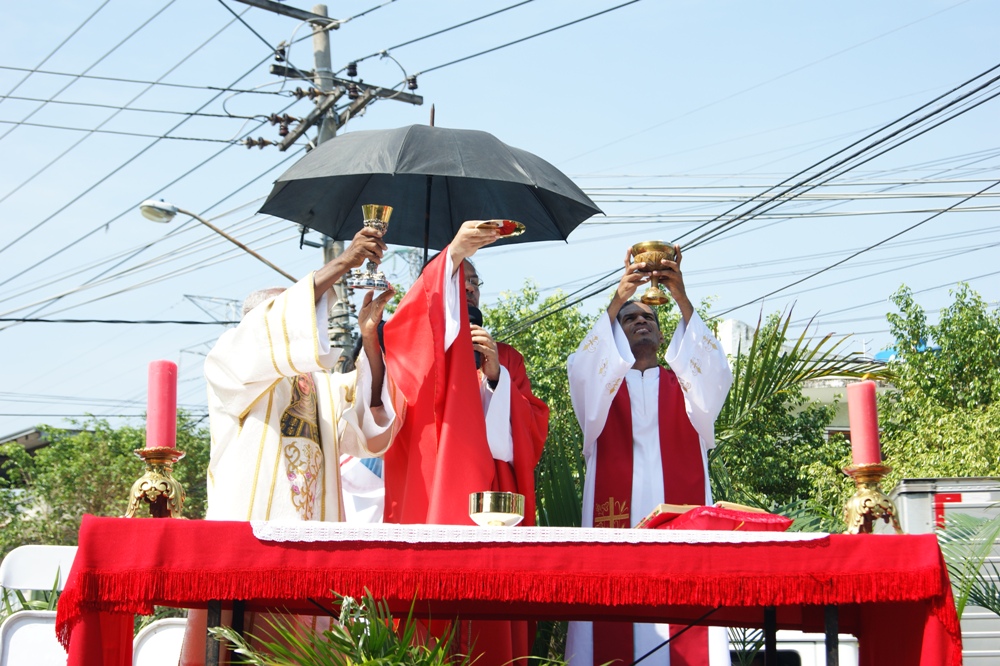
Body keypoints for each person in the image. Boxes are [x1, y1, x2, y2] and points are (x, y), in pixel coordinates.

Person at [180, 226, 398, 665]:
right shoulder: (230, 365)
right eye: (299, 314)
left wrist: (370, 340)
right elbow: (269, 331)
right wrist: (343, 263)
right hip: (245, 548)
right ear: (260, 328)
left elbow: (370, 422)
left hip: (308, 552)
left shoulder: (321, 387)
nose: (309, 327)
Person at [381, 220, 549, 666]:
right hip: (435, 492)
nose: (470, 288)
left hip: (493, 503)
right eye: (461, 278)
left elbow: (532, 432)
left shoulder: (507, 358)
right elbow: (406, 333)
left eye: (476, 282)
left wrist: (496, 379)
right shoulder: (425, 351)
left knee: (487, 626)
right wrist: (451, 254)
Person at [565, 244, 734, 666]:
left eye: (649, 318)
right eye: (629, 319)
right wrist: (618, 297)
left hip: (680, 539)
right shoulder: (600, 396)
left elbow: (715, 373)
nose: (641, 321)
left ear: (662, 336)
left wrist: (680, 296)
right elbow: (583, 368)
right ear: (614, 337)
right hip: (616, 535)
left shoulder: (689, 391)